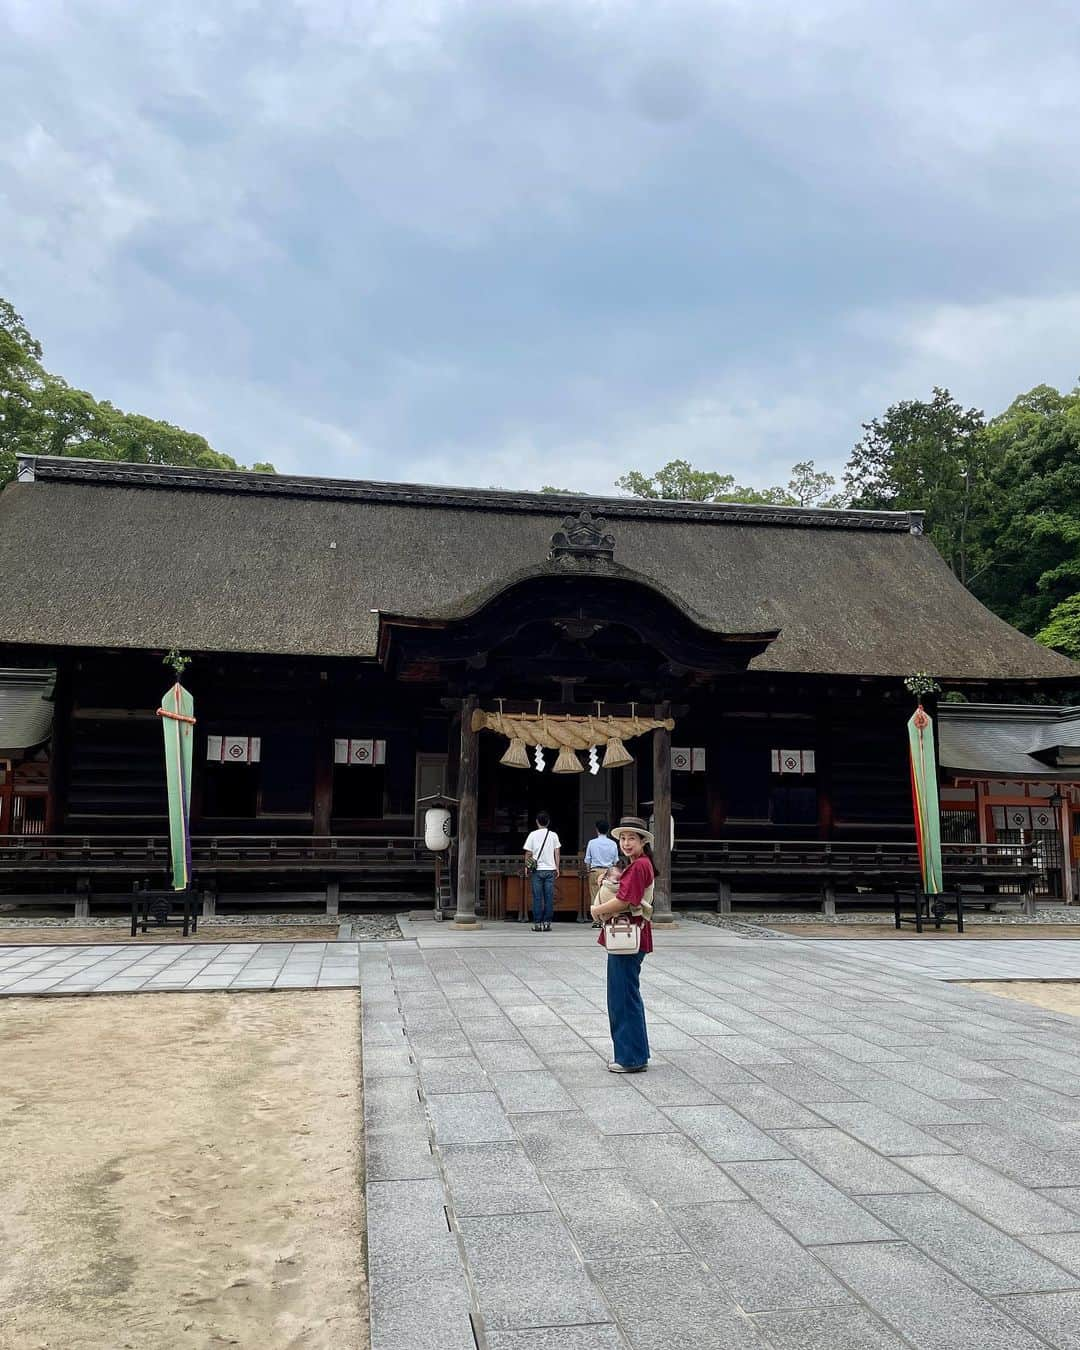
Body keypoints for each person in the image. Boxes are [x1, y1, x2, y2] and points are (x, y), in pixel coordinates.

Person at [590, 815, 654, 1073]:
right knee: (626, 995)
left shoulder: (639, 866)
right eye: (623, 838)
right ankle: (635, 1053)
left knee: (623, 998)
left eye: (632, 838)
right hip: (629, 934)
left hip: (628, 935)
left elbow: (626, 900)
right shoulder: (637, 865)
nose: (626, 843)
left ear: (642, 842)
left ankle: (631, 1058)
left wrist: (597, 910)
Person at [523, 811, 560, 932]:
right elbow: (557, 852)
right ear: (548, 822)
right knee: (549, 897)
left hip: (537, 870)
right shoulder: (553, 835)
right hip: (550, 870)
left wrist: (526, 866)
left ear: (537, 822)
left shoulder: (532, 835)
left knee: (537, 897)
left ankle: (537, 923)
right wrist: (557, 867)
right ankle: (547, 923)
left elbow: (528, 852)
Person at [584, 818, 619, 926]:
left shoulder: (592, 842)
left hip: (595, 870)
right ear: (608, 830)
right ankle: (607, 919)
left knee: (595, 896)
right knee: (608, 895)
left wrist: (588, 870)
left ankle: (596, 920)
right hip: (608, 871)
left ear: (597, 830)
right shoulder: (613, 843)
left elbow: (587, 859)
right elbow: (615, 860)